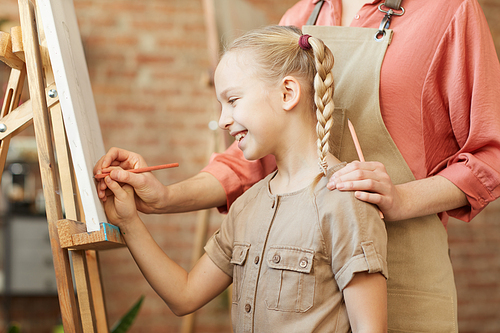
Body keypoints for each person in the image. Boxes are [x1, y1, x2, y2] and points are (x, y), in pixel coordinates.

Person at [94, 0, 500, 331]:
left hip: (408, 282)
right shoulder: (299, 20)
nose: (224, 117)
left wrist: (400, 197)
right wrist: (160, 200)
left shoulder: (448, 11)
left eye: (232, 102)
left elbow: (493, 153)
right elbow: (249, 163)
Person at [103, 25, 388, 332]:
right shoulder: (246, 206)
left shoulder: (345, 201)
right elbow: (184, 296)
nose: (224, 120)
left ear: (287, 93)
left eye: (233, 100)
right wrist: (129, 222)